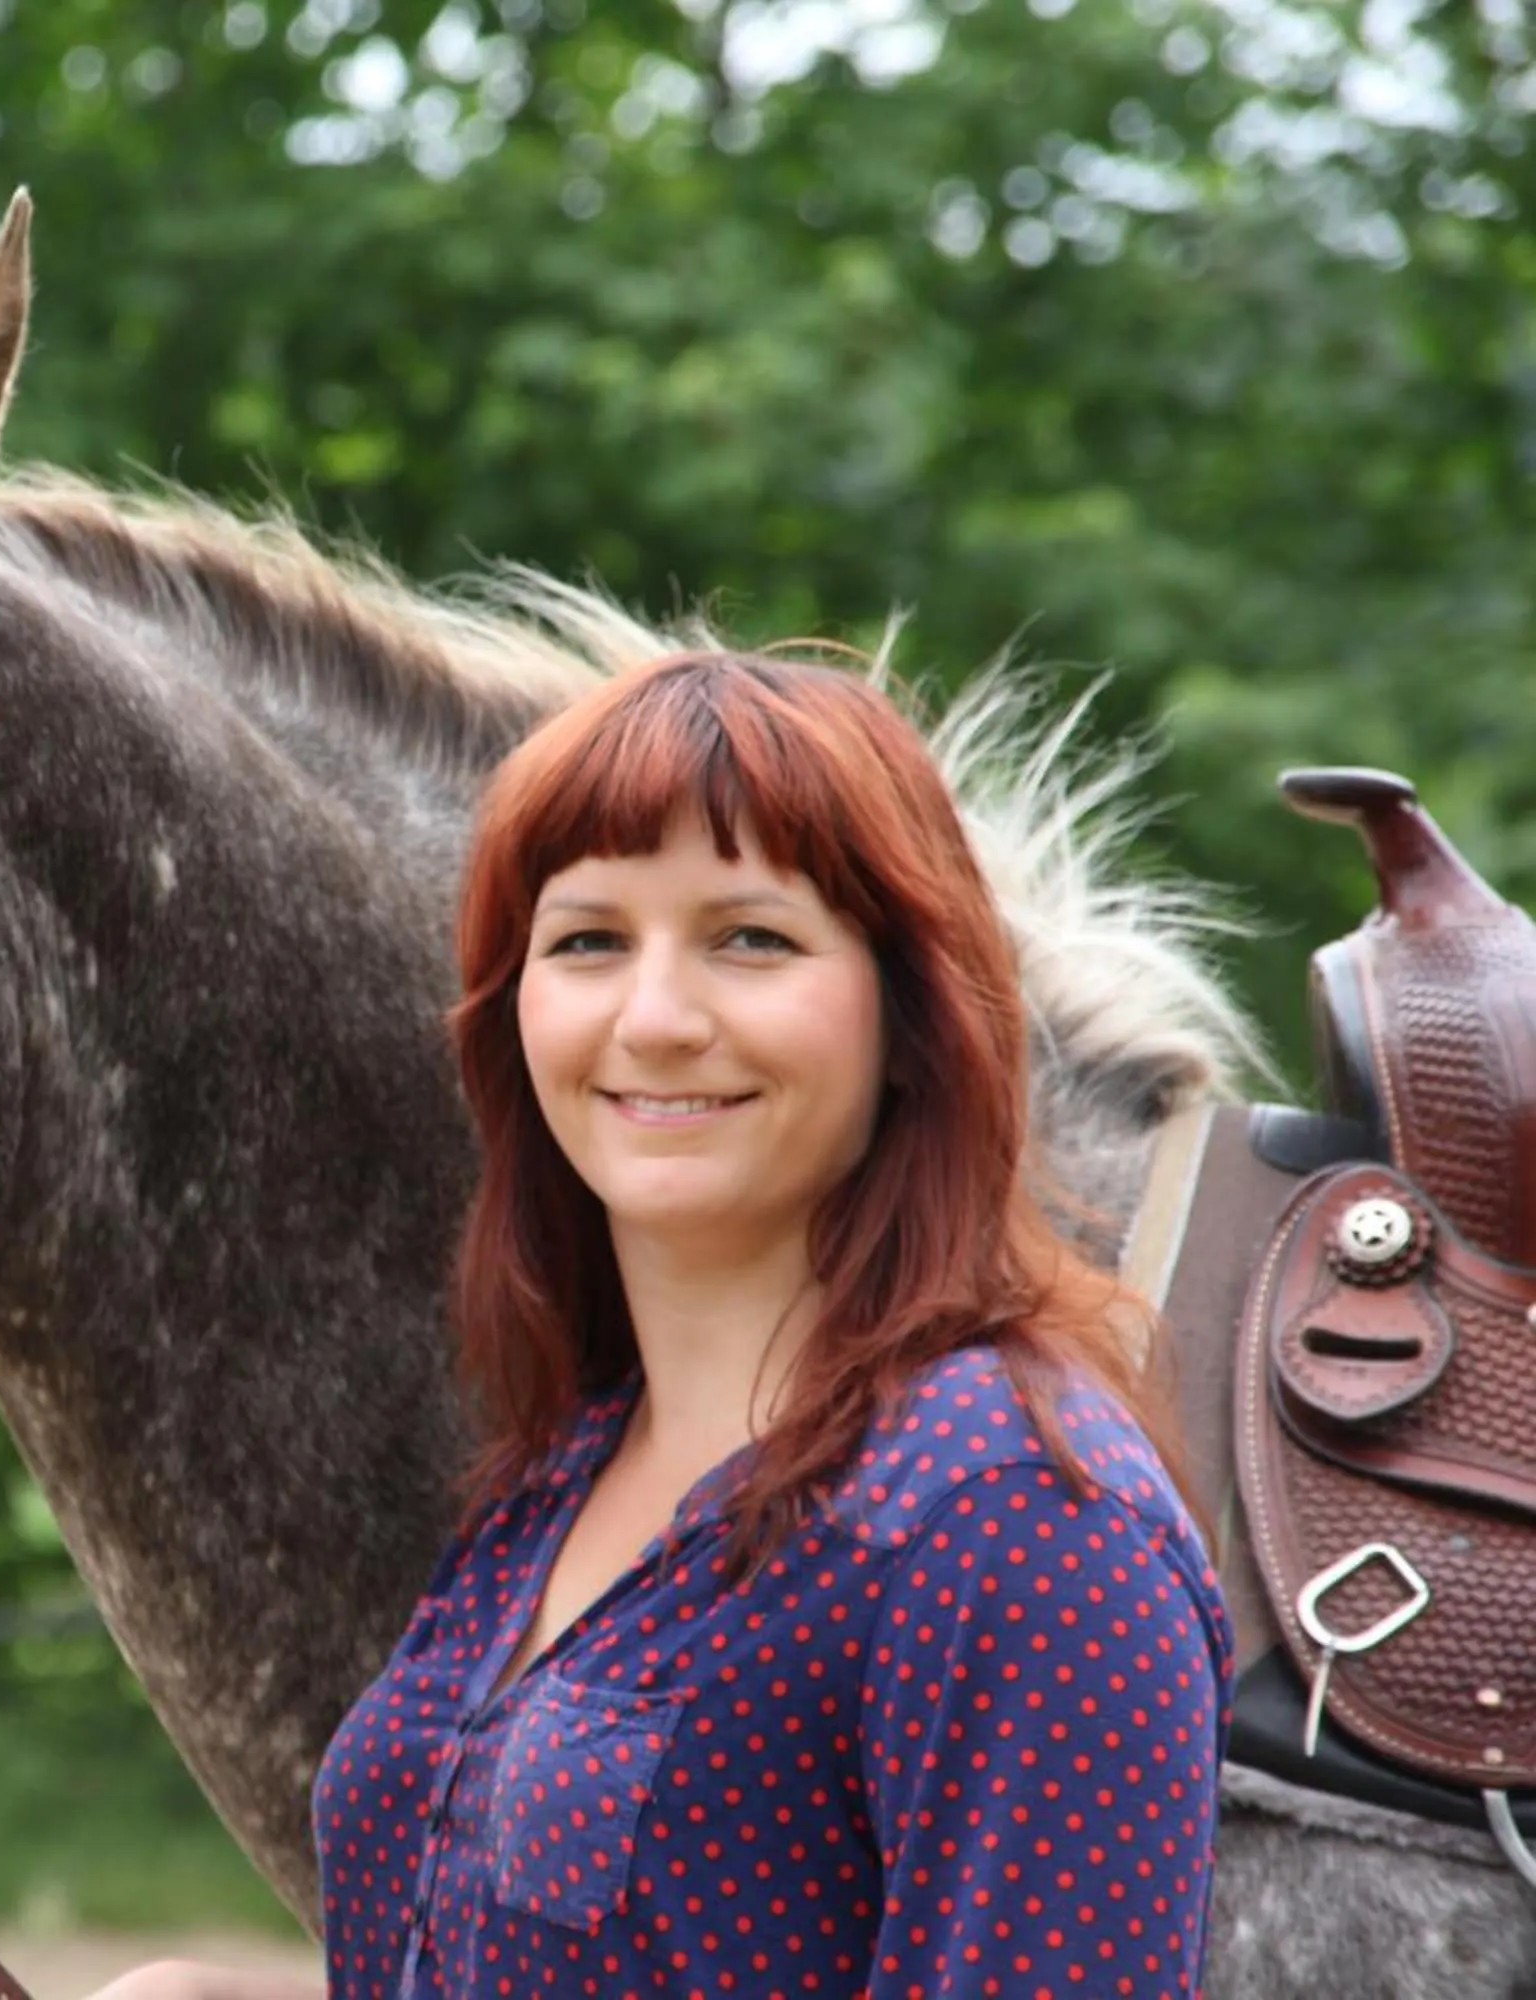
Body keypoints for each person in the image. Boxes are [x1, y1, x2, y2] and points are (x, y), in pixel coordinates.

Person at [88, 651, 1232, 2000]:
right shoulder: (566, 1468)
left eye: (751, 937)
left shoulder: (1016, 1524)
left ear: (912, 1015)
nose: (656, 1018)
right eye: (587, 942)